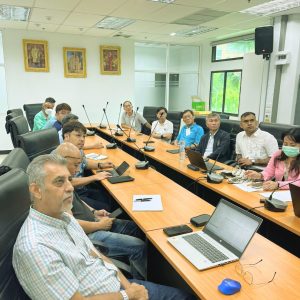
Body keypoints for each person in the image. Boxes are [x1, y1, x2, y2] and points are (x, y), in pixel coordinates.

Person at [13, 154, 196, 300]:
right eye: (60, 182)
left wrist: (129, 287)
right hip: (116, 295)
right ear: (36, 190)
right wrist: (127, 295)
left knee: (186, 296)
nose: (70, 187)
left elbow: (97, 255)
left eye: (69, 180)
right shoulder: (36, 248)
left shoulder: (63, 218)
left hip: (117, 287)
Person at [55, 142, 147, 279]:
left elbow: (78, 201)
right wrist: (98, 225)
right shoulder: (57, 188)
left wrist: (94, 212)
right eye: (75, 165)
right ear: (63, 160)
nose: (79, 168)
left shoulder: (65, 179)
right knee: (138, 247)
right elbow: (70, 225)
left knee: (136, 227)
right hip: (88, 235)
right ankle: (139, 285)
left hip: (93, 222)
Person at [62, 121, 113, 210]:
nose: (82, 139)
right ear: (66, 136)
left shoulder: (78, 150)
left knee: (110, 199)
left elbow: (85, 163)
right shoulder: (59, 156)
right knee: (106, 207)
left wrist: (100, 165)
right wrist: (94, 177)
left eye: (84, 136)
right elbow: (66, 182)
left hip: (83, 189)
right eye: (78, 135)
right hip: (73, 195)